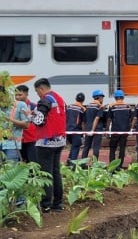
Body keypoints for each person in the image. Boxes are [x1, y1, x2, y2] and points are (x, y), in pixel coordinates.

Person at [32, 78, 67, 213]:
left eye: (37, 92)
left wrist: (31, 118)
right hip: (60, 140)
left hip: (46, 141)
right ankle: (57, 204)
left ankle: (46, 203)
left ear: (41, 88)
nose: (38, 95)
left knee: (46, 173)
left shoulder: (45, 99)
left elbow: (39, 120)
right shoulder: (60, 99)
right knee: (56, 172)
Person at [1, 90, 30, 163]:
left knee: (12, 169)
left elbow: (26, 125)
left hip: (12, 144)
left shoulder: (20, 105)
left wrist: (10, 120)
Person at [107, 90, 133, 168]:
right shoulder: (127, 106)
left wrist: (107, 129)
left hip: (115, 130)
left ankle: (112, 165)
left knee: (112, 148)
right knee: (122, 148)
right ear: (123, 97)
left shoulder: (112, 106)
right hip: (125, 130)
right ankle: (120, 166)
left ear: (115, 97)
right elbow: (131, 118)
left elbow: (109, 119)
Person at [81, 90, 106, 161]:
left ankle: (82, 164)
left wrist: (85, 129)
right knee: (96, 147)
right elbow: (97, 118)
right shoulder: (99, 106)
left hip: (88, 128)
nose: (102, 99)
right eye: (102, 97)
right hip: (97, 129)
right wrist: (93, 129)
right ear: (99, 97)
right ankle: (95, 164)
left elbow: (84, 120)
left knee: (86, 147)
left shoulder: (88, 106)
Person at [15, 85, 37, 163]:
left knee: (32, 163)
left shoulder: (34, 106)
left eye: (20, 95)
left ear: (26, 94)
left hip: (31, 139)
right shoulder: (13, 107)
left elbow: (38, 121)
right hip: (18, 139)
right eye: (16, 95)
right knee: (20, 163)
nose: (17, 97)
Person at [65, 92, 86, 165]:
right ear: (83, 100)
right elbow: (83, 122)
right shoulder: (82, 109)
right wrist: (83, 133)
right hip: (76, 131)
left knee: (73, 146)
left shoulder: (69, 106)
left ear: (75, 99)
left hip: (67, 130)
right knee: (76, 147)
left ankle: (68, 161)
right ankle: (72, 165)